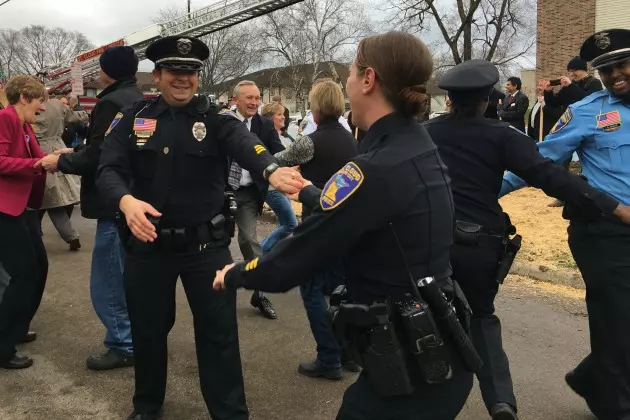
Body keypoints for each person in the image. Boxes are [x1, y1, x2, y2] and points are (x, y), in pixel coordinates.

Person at [214, 31, 474, 420]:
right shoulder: (413, 142)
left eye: (351, 73)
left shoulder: (376, 166)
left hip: (410, 367)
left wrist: (237, 272)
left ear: (368, 79)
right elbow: (367, 209)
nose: (348, 83)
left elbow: (300, 255)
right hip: (432, 351)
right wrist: (309, 191)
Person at [96, 35, 302, 420]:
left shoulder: (216, 119)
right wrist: (125, 202)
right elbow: (107, 170)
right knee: (148, 331)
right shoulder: (132, 118)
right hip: (148, 246)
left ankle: (230, 413)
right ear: (156, 75)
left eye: (191, 72)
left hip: (206, 249)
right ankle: (147, 406)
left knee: (219, 334)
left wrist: (271, 169)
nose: (183, 78)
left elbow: (246, 143)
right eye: (174, 70)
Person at [425, 58, 630, 420]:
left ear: (450, 100)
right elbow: (549, 175)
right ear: (487, 101)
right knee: (482, 317)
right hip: (481, 245)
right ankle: (501, 401)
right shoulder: (502, 135)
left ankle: (427, 390)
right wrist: (611, 206)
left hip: (428, 240)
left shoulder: (424, 133)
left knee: (428, 314)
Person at [500, 29, 630, 420]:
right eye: (606, 70)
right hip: (604, 232)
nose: (614, 75)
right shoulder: (589, 110)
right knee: (616, 319)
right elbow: (539, 161)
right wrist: (480, 191)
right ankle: (615, 407)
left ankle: (592, 376)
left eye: (622, 65)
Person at [38, 46, 143, 371]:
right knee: (128, 279)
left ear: (109, 71)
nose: (96, 73)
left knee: (108, 282)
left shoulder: (111, 101)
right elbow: (115, 147)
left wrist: (62, 160)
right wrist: (79, 148)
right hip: (131, 199)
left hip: (112, 203)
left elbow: (102, 155)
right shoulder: (136, 97)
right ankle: (134, 338)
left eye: (101, 67)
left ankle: (123, 344)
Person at [273, 79, 360, 380]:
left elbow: (277, 161)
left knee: (311, 291)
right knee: (340, 292)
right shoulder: (352, 140)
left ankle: (329, 357)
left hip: (316, 225)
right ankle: (350, 353)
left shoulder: (309, 141)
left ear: (317, 107)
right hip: (346, 226)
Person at [0, 75, 48, 369]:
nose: (42, 107)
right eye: (40, 100)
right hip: (6, 208)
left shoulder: (25, 124)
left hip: (24, 207)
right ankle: (4, 345)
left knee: (37, 267)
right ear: (24, 97)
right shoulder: (5, 118)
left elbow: (40, 160)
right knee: (23, 274)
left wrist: (59, 157)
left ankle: (17, 327)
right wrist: (36, 164)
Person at [227, 80, 285, 320]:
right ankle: (220, 292)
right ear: (235, 100)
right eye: (248, 98)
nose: (253, 102)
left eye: (257, 97)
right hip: (221, 191)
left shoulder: (264, 125)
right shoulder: (223, 121)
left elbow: (279, 151)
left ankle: (259, 294)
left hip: (250, 193)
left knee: (250, 240)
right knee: (215, 244)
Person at [32, 97, 82, 250]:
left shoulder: (29, 107)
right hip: (58, 147)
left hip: (37, 148)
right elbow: (73, 117)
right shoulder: (57, 104)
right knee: (53, 197)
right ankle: (70, 236)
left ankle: (38, 234)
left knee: (42, 199)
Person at [258, 102, 298, 254]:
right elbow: (281, 157)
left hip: (281, 186)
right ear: (269, 118)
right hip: (271, 187)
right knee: (291, 223)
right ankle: (261, 251)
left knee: (284, 223)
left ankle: (275, 255)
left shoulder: (283, 135)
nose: (283, 117)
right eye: (279, 114)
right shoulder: (267, 137)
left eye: (283, 114)